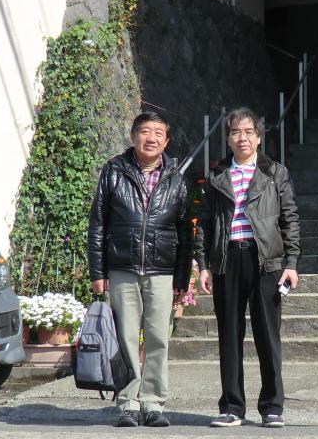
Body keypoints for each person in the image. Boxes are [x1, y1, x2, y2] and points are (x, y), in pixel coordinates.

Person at [194, 107, 300, 428]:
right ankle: (232, 406)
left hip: (266, 261)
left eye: (248, 132)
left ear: (259, 137)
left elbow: (290, 219)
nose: (242, 138)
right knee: (229, 335)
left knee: (268, 336)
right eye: (235, 132)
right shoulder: (216, 176)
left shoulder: (275, 173)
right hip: (227, 260)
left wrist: (291, 263)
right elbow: (204, 223)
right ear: (228, 139)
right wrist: (203, 265)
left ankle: (272, 407)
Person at [88, 111, 190, 427]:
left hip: (162, 270)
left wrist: (182, 277)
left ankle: (153, 403)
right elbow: (98, 224)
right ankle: (129, 403)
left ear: (166, 141)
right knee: (126, 337)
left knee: (159, 338)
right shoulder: (114, 171)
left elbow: (185, 231)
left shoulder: (175, 177)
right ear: (133, 137)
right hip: (123, 267)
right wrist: (97, 272)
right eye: (145, 131)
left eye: (158, 133)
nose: (151, 138)